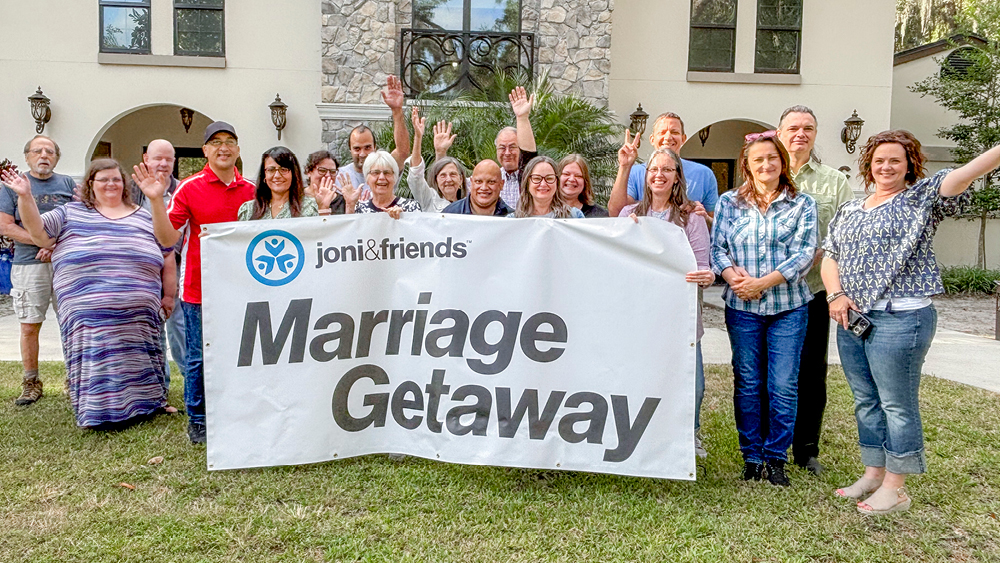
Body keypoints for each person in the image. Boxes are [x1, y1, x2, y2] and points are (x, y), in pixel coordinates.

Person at [823, 131, 1000, 515]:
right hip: (853, 318)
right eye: (879, 160)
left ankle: (895, 488)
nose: (886, 167)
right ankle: (873, 473)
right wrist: (836, 296)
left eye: (895, 161)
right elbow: (830, 255)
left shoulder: (921, 198)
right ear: (868, 165)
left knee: (896, 404)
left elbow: (965, 174)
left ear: (910, 166)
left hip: (901, 317)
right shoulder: (852, 209)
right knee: (865, 401)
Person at [2, 159, 169, 428]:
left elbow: (167, 245)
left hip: (140, 311)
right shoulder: (69, 212)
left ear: (124, 183)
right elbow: (38, 232)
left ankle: (146, 406)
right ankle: (98, 414)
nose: (111, 184)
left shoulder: (143, 215)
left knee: (140, 357)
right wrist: (25, 196)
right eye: (103, 179)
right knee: (96, 358)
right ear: (90, 184)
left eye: (116, 178)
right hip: (87, 311)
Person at [133, 121, 256, 444]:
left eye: (230, 141)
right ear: (205, 151)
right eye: (216, 142)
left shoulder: (252, 191)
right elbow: (168, 237)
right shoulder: (190, 188)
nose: (224, 147)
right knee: (200, 356)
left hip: (245, 290)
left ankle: (235, 411)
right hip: (199, 289)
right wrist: (157, 200)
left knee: (240, 354)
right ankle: (199, 419)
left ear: (238, 150)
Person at [711, 131, 817, 486]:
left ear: (782, 162)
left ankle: (775, 458)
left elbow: (804, 256)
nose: (766, 165)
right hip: (741, 308)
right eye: (758, 159)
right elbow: (718, 249)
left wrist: (762, 282)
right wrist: (731, 275)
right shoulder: (729, 203)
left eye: (772, 158)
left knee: (783, 385)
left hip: (788, 307)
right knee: (748, 382)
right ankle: (751, 457)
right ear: (747, 165)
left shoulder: (802, 204)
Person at [614, 133, 714, 458]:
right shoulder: (628, 215)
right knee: (642, 378)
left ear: (676, 177)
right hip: (638, 317)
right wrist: (625, 233)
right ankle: (642, 434)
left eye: (667, 170)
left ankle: (691, 434)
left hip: (680, 317)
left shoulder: (691, 218)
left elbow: (703, 267)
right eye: (653, 169)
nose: (659, 175)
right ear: (645, 176)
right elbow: (616, 262)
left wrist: (706, 276)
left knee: (692, 384)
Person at [775, 106, 856, 476]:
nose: (800, 135)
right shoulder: (763, 173)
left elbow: (842, 236)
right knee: (769, 371)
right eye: (793, 128)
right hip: (770, 293)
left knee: (810, 372)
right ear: (779, 132)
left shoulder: (833, 182)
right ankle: (766, 444)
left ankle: (806, 449)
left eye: (808, 128)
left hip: (812, 291)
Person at [0, 135, 75, 406]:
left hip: (65, 264)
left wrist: (56, 246)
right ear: (27, 156)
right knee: (30, 325)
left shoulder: (67, 184)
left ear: (56, 157)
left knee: (71, 321)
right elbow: (6, 226)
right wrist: (44, 240)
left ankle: (73, 379)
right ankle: (31, 381)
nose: (44, 155)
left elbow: (79, 218)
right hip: (28, 265)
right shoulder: (12, 186)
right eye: (37, 151)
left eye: (50, 151)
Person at [129, 140, 184, 411]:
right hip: (140, 271)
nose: (163, 164)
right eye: (157, 159)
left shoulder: (182, 190)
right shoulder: (130, 190)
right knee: (151, 334)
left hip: (178, 265)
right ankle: (158, 391)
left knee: (181, 330)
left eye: (168, 160)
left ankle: (194, 388)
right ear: (145, 159)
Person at [608, 112, 718, 223]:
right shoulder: (635, 173)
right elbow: (616, 214)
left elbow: (715, 225)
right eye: (662, 132)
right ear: (652, 139)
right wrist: (624, 166)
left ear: (683, 139)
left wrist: (703, 218)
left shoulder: (703, 174)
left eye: (674, 132)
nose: (668, 137)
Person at [344, 75, 410, 190]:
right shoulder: (340, 175)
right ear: (350, 150)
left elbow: (403, 152)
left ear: (375, 147)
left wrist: (397, 110)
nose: (363, 154)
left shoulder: (386, 168)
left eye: (367, 147)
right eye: (357, 149)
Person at [238, 147, 327, 220]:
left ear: (294, 174)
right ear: (264, 175)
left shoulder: (310, 207)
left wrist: (323, 208)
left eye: (283, 170)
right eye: (271, 170)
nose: (277, 175)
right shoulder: (248, 211)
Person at [407, 106, 466, 213]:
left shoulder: (470, 204)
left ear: (461, 179)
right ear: (436, 180)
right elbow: (416, 176)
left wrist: (441, 153)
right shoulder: (429, 200)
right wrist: (418, 137)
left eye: (453, 174)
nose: (448, 179)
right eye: (443, 176)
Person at [497, 87, 538, 209]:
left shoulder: (532, 178)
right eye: (502, 148)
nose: (507, 152)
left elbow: (529, 155)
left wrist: (522, 118)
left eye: (512, 147)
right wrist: (441, 153)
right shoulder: (488, 179)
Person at [511, 156, 584, 218]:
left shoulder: (574, 216)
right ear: (527, 182)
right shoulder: (512, 220)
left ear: (557, 182)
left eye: (549, 178)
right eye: (537, 178)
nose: (543, 184)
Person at [354, 150, 421, 218]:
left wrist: (403, 216)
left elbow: (417, 227)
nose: (382, 177)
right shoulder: (359, 209)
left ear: (395, 178)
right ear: (367, 179)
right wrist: (349, 204)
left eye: (387, 173)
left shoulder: (411, 207)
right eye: (376, 173)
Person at [442, 160, 511, 216]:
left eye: (491, 182)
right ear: (471, 183)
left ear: (501, 184)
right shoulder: (450, 214)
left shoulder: (512, 218)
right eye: (478, 181)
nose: (484, 188)